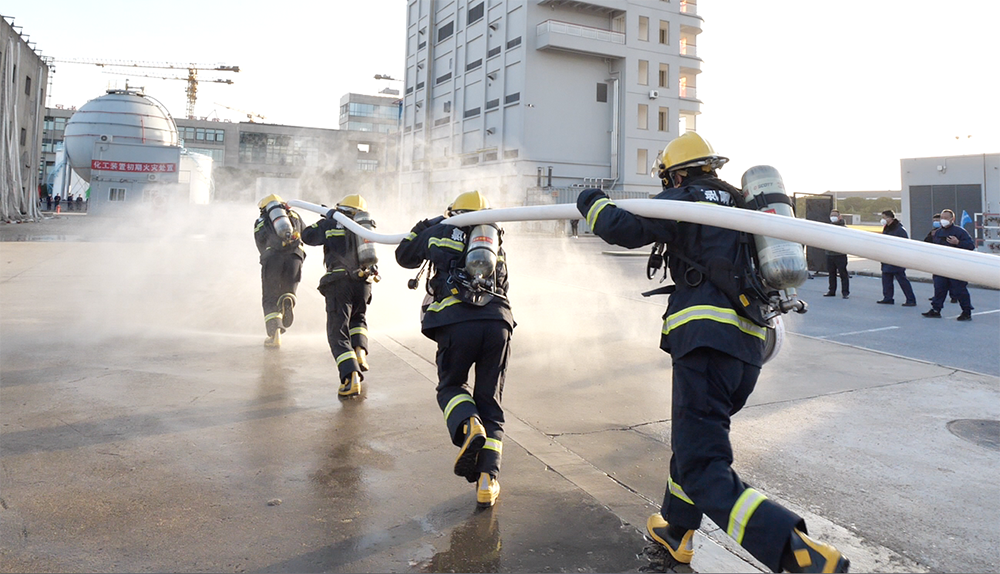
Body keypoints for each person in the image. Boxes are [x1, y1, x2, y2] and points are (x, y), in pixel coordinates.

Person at [576, 132, 848, 573]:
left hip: (703, 344)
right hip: (747, 351)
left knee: (704, 465)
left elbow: (619, 228)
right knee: (692, 445)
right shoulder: (743, 203)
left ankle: (796, 551)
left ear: (677, 173)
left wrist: (589, 198)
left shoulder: (683, 200)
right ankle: (676, 530)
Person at [394, 190, 514, 509]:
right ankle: (488, 481)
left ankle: (467, 423)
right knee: (490, 402)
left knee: (451, 386)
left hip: (457, 324)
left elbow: (404, 256)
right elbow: (504, 285)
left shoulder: (441, 231)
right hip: (498, 324)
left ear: (453, 212)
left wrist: (425, 225)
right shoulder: (494, 240)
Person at [301, 194, 379, 397]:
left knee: (338, 332)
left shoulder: (332, 223)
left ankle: (350, 377)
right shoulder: (364, 226)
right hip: (363, 283)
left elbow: (307, 236)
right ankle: (360, 352)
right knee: (358, 319)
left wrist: (326, 219)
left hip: (339, 282)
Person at [254, 194, 306, 348]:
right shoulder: (295, 216)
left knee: (270, 297)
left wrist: (267, 257)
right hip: (295, 257)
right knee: (288, 290)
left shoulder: (261, 221)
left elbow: (260, 243)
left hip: (273, 258)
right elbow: (308, 235)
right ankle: (288, 298)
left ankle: (274, 334)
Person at [923, 209, 975, 321]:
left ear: (952, 219)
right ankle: (936, 310)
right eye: (942, 218)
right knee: (939, 288)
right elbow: (928, 245)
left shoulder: (960, 232)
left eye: (946, 218)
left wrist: (958, 243)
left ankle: (966, 312)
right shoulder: (937, 232)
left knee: (959, 289)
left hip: (955, 266)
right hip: (940, 266)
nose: (943, 220)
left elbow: (970, 246)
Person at [875, 210, 917, 306]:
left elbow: (904, 244)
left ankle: (911, 299)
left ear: (890, 218)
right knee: (886, 279)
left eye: (884, 217)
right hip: (887, 258)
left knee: (902, 280)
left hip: (896, 258)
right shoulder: (887, 228)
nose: (883, 220)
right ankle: (888, 297)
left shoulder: (899, 230)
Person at [824, 210, 850, 299]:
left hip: (840, 255)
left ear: (840, 217)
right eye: (832, 215)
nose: (833, 217)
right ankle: (831, 291)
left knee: (843, 274)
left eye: (835, 215)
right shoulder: (828, 227)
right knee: (831, 274)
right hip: (829, 254)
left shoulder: (844, 228)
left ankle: (845, 292)